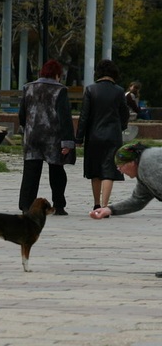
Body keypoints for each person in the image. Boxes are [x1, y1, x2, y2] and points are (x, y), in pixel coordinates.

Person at [89, 141, 162, 278]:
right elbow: (137, 200)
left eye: (120, 166)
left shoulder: (149, 164)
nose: (120, 170)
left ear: (131, 163)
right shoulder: (143, 170)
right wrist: (109, 209)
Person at [18, 59, 76, 216]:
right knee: (56, 171)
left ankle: (26, 206)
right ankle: (59, 205)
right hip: (52, 138)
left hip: (31, 136)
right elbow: (65, 118)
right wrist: (67, 142)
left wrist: (26, 127)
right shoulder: (60, 90)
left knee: (30, 172)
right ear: (58, 75)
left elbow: (22, 114)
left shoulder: (28, 88)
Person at [76, 59, 130, 210]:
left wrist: (79, 138)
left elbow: (84, 116)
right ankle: (105, 205)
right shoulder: (119, 91)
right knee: (109, 170)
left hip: (94, 135)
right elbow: (124, 113)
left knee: (95, 170)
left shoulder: (91, 90)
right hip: (113, 135)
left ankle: (96, 204)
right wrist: (121, 126)